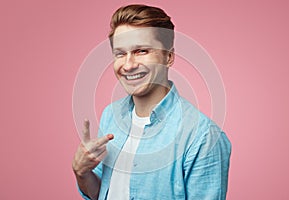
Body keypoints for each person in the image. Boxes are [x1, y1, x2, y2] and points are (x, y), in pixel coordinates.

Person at [72, 4, 231, 200]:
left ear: (168, 57)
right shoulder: (110, 116)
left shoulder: (203, 136)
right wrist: (82, 173)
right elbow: (102, 192)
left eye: (141, 51)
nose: (128, 65)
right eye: (120, 54)